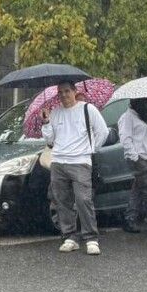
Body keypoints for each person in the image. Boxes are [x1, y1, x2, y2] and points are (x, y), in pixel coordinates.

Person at [41, 82, 108, 255]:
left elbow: (103, 132)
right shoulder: (55, 113)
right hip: (58, 162)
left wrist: (91, 150)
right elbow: (49, 141)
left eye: (67, 91)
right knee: (62, 201)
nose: (64, 95)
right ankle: (69, 236)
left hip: (80, 162)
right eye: (60, 92)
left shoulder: (88, 109)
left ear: (75, 91)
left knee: (83, 199)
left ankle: (91, 238)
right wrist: (47, 122)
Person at [119, 99, 147, 233]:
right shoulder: (127, 117)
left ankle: (129, 219)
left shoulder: (145, 117)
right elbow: (125, 138)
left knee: (138, 190)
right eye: (143, 101)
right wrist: (134, 157)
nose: (146, 104)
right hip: (139, 159)